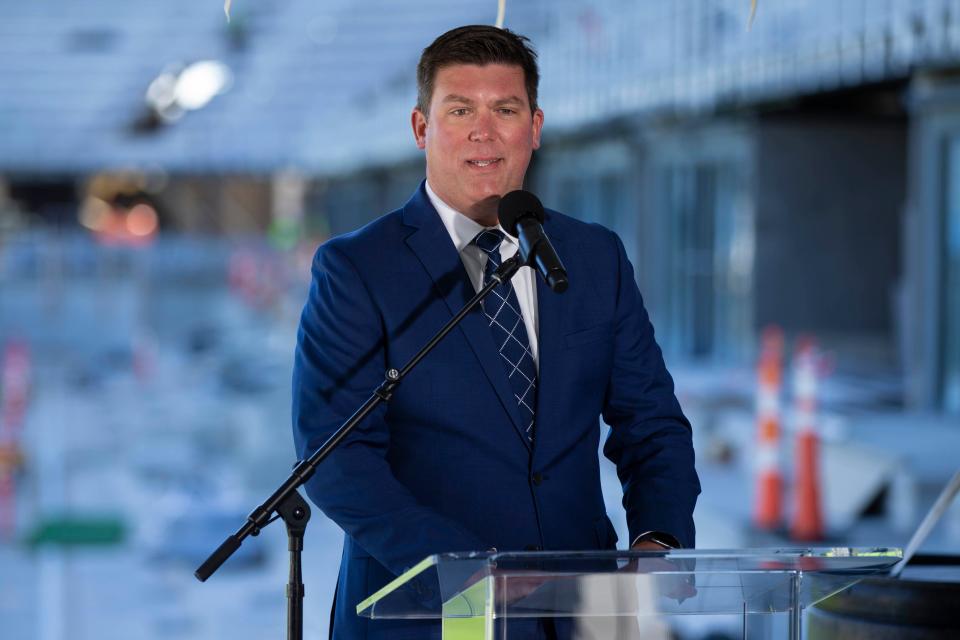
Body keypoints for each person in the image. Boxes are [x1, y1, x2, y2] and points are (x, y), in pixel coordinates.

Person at [292, 25, 700, 640]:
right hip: (424, 609)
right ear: (422, 129)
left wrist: (658, 535)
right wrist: (465, 569)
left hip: (580, 614)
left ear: (534, 127)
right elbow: (335, 454)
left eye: (505, 110)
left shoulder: (593, 256)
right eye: (460, 111)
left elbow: (651, 420)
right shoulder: (357, 268)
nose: (483, 132)